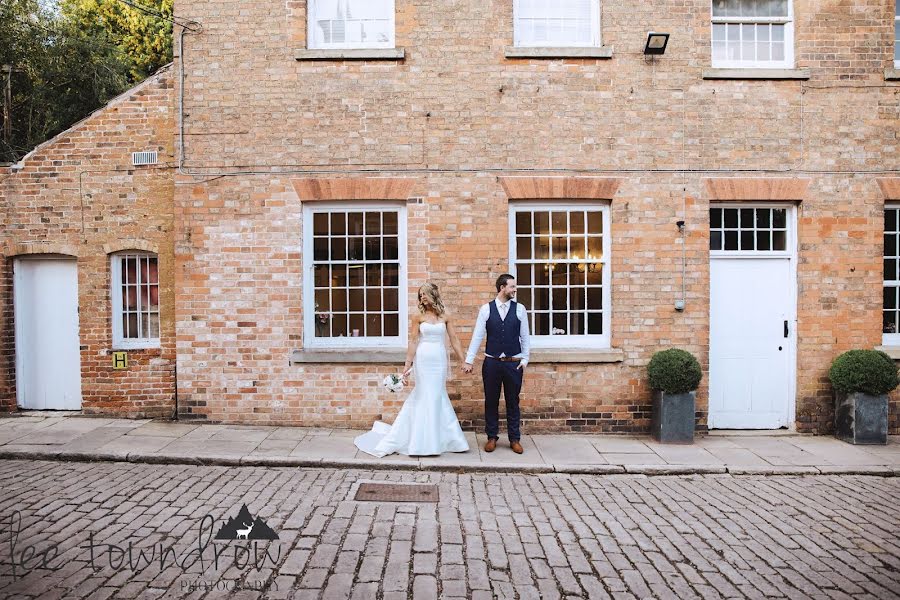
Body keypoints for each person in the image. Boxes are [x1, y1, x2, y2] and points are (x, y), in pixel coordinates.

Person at [354, 283, 470, 457]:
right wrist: (406, 367)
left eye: (425, 294)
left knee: (438, 394)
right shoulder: (418, 317)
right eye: (420, 295)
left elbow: (454, 339)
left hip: (438, 360)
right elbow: (414, 342)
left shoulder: (446, 316)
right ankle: (422, 441)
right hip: (423, 360)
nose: (422, 297)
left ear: (433, 294)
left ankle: (446, 439)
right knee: (425, 394)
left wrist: (464, 361)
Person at [462, 274, 530, 454]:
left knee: (513, 402)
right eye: (512, 287)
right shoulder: (486, 309)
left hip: (513, 364)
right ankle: (491, 437)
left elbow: (525, 337)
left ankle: (514, 438)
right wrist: (469, 360)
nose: (515, 290)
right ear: (502, 288)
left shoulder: (520, 309)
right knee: (491, 401)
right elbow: (477, 335)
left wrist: (525, 360)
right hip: (491, 362)